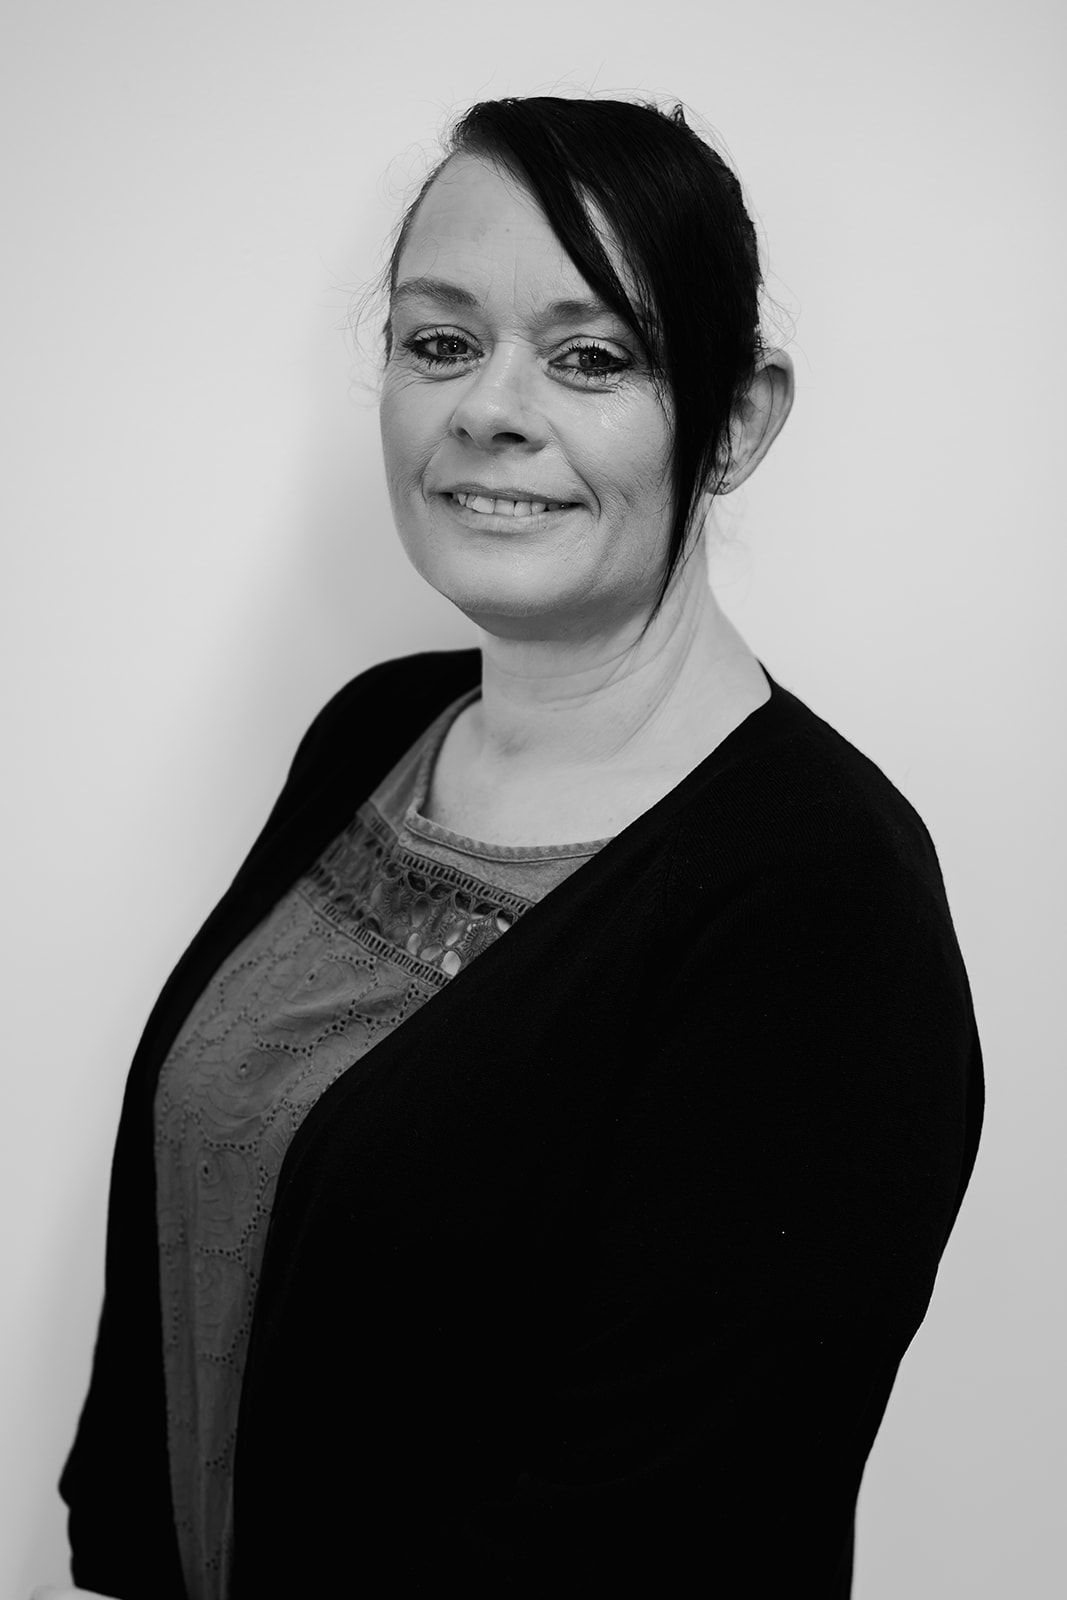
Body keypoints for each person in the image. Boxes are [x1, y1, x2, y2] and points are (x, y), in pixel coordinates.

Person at [56, 95, 984, 1599]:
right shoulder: (378, 730)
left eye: (591, 355)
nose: (488, 406)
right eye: (439, 342)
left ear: (737, 421)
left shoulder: (821, 903)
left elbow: (661, 1530)